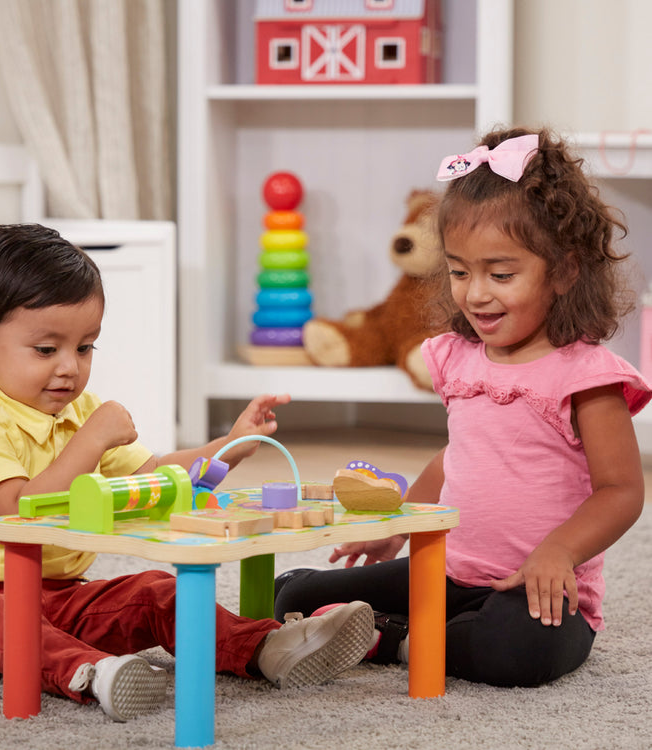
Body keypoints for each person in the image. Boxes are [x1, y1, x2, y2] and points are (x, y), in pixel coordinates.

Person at [0, 223, 374, 722]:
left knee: (154, 589)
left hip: (61, 593)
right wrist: (91, 440)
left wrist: (230, 446)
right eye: (47, 350)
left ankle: (265, 647)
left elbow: (153, 473)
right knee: (0, 619)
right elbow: (18, 511)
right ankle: (93, 672)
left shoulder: (80, 411)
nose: (69, 368)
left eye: (85, 348)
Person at [274, 127, 652, 687]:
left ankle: (393, 638)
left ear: (566, 270)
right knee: (293, 595)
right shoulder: (458, 357)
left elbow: (622, 491)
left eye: (501, 275)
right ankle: (399, 628)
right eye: (458, 271)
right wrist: (399, 525)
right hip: (446, 574)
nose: (475, 293)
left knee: (516, 649)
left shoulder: (587, 377)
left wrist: (558, 552)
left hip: (537, 591)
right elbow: (458, 457)